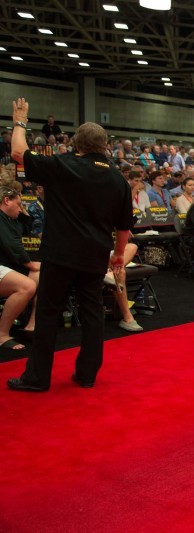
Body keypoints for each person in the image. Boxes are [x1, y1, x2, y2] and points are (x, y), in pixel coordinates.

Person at [8, 97, 133, 391]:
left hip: (60, 254)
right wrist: (117, 256)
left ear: (76, 143)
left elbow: (17, 151)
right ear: (104, 146)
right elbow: (124, 227)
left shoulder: (63, 164)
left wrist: (20, 120)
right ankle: (87, 375)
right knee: (93, 315)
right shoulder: (118, 179)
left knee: (48, 313)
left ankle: (37, 378)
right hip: (94, 256)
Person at [0, 186, 39, 350]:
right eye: (19, 204)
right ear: (6, 201)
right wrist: (30, 264)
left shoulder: (11, 220)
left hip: (6, 266)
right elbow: (12, 246)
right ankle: (2, 335)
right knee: (28, 285)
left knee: (40, 274)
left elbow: (27, 228)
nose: (21, 207)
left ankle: (31, 326)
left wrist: (23, 212)